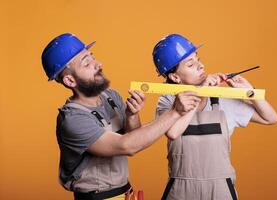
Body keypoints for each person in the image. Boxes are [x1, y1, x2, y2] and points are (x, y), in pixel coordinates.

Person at [41, 33, 202, 200]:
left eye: (92, 57)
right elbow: (126, 146)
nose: (98, 64)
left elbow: (135, 137)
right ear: (70, 81)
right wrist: (175, 112)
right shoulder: (73, 119)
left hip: (125, 192)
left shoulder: (110, 96)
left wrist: (132, 115)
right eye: (87, 63)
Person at [152, 34, 277, 200]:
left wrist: (251, 92)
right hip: (181, 191)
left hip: (220, 191)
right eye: (191, 64)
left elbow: (271, 118)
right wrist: (202, 90)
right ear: (175, 77)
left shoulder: (221, 97)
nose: (201, 66)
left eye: (198, 60)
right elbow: (173, 132)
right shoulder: (168, 101)